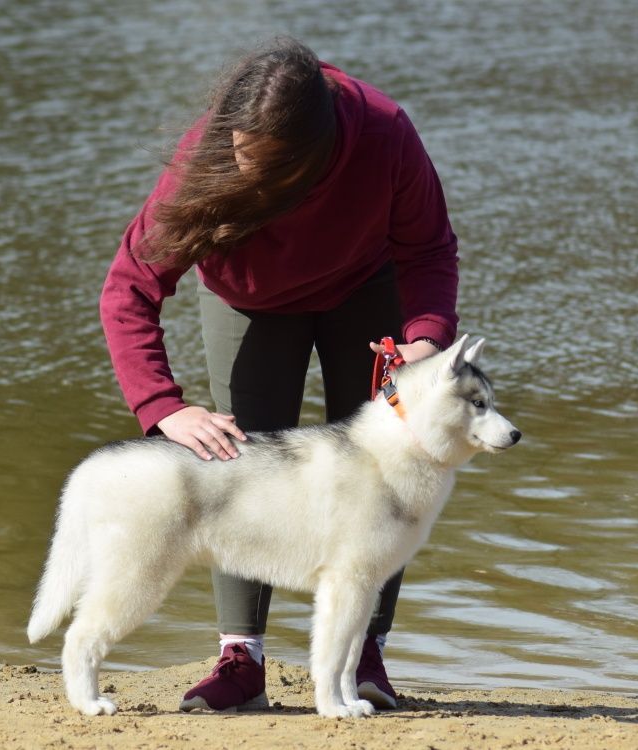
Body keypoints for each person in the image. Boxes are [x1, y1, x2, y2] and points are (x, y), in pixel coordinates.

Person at [99, 36, 459, 712]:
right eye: (240, 157)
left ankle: (363, 656)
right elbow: (128, 289)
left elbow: (431, 250)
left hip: (363, 284)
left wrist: (424, 341)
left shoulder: (383, 135)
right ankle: (241, 660)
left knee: (385, 465)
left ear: (317, 158)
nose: (246, 177)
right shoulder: (206, 159)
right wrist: (162, 406)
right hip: (248, 299)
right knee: (240, 458)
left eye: (267, 172)